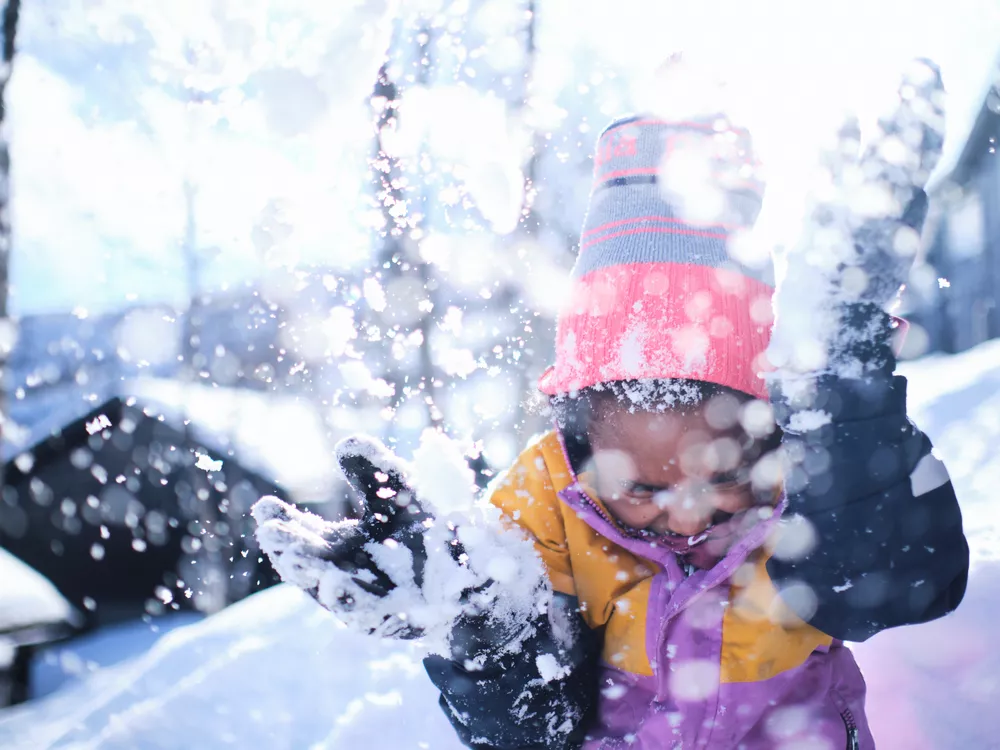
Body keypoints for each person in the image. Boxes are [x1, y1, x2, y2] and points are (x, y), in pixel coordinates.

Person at [254, 59, 968, 749]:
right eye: (641, 487)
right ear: (579, 441)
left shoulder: (812, 467)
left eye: (719, 473)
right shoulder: (542, 508)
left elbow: (900, 589)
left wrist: (841, 394)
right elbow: (535, 732)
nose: (686, 514)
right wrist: (481, 628)